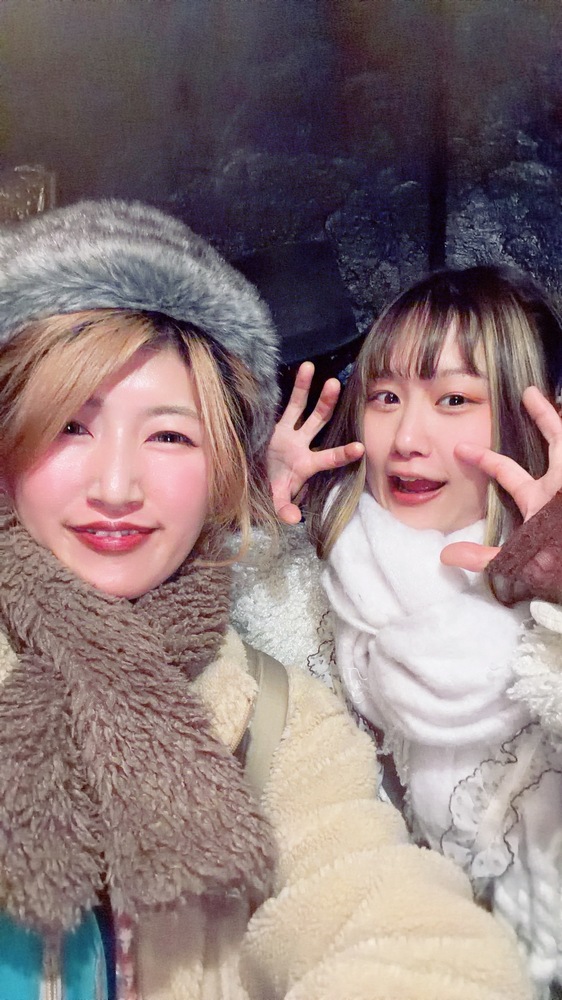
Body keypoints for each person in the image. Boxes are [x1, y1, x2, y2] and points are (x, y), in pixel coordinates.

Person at [0, 202, 532, 1000]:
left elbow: (394, 922)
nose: (116, 486)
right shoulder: (322, 579)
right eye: (70, 426)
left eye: (170, 436)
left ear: (219, 468)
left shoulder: (278, 720)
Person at [266, 264, 562, 997]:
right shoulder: (313, 578)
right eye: (387, 396)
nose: (405, 437)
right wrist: (245, 515)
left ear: (529, 419)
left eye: (454, 398)